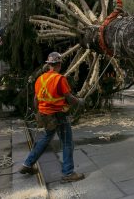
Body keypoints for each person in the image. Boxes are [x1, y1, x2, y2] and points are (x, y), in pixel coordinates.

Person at [19, 52, 85, 182]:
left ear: (49, 65)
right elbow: (69, 98)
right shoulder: (60, 79)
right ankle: (68, 173)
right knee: (67, 143)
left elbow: (35, 101)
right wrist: (80, 102)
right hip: (59, 116)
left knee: (45, 139)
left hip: (45, 116)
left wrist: (41, 111)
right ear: (59, 64)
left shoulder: (40, 79)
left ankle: (27, 164)